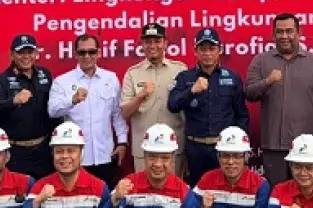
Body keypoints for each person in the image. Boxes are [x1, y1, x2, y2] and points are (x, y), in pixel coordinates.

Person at [245, 13, 313, 184]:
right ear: (273, 35)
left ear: (299, 33)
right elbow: (249, 93)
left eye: (289, 31)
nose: (284, 36)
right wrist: (267, 81)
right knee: (277, 196)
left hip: (308, 146)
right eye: (279, 32)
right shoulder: (261, 61)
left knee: (306, 195)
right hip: (274, 146)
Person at [168, 28, 250, 187]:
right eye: (203, 49)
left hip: (224, 148)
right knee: (197, 191)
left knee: (224, 191)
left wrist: (243, 148)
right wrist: (192, 91)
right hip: (195, 148)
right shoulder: (185, 77)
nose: (207, 53)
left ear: (220, 50)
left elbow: (242, 115)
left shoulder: (232, 78)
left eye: (212, 49)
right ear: (195, 51)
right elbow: (172, 105)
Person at [47, 35, 127, 188]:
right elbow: (52, 110)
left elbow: (117, 114)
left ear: (99, 53)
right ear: (75, 54)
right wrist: (72, 100)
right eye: (82, 52)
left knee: (105, 200)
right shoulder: (62, 81)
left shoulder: (110, 78)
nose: (87, 56)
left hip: (106, 155)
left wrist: (122, 142)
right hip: (75, 157)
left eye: (91, 52)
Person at [0, 34, 58, 179]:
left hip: (43, 150)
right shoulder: (2, 80)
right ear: (12, 55)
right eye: (21, 52)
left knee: (44, 193)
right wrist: (14, 101)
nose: (26, 57)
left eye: (30, 52)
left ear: (36, 54)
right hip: (16, 152)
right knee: (19, 195)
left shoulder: (45, 75)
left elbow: (54, 109)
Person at [120, 23, 187, 176]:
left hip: (173, 147)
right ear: (142, 44)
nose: (152, 46)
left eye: (157, 41)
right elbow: (125, 112)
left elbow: (187, 108)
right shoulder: (133, 73)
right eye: (148, 41)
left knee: (174, 195)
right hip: (144, 149)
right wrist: (140, 96)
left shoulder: (180, 70)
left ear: (165, 43)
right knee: (144, 195)